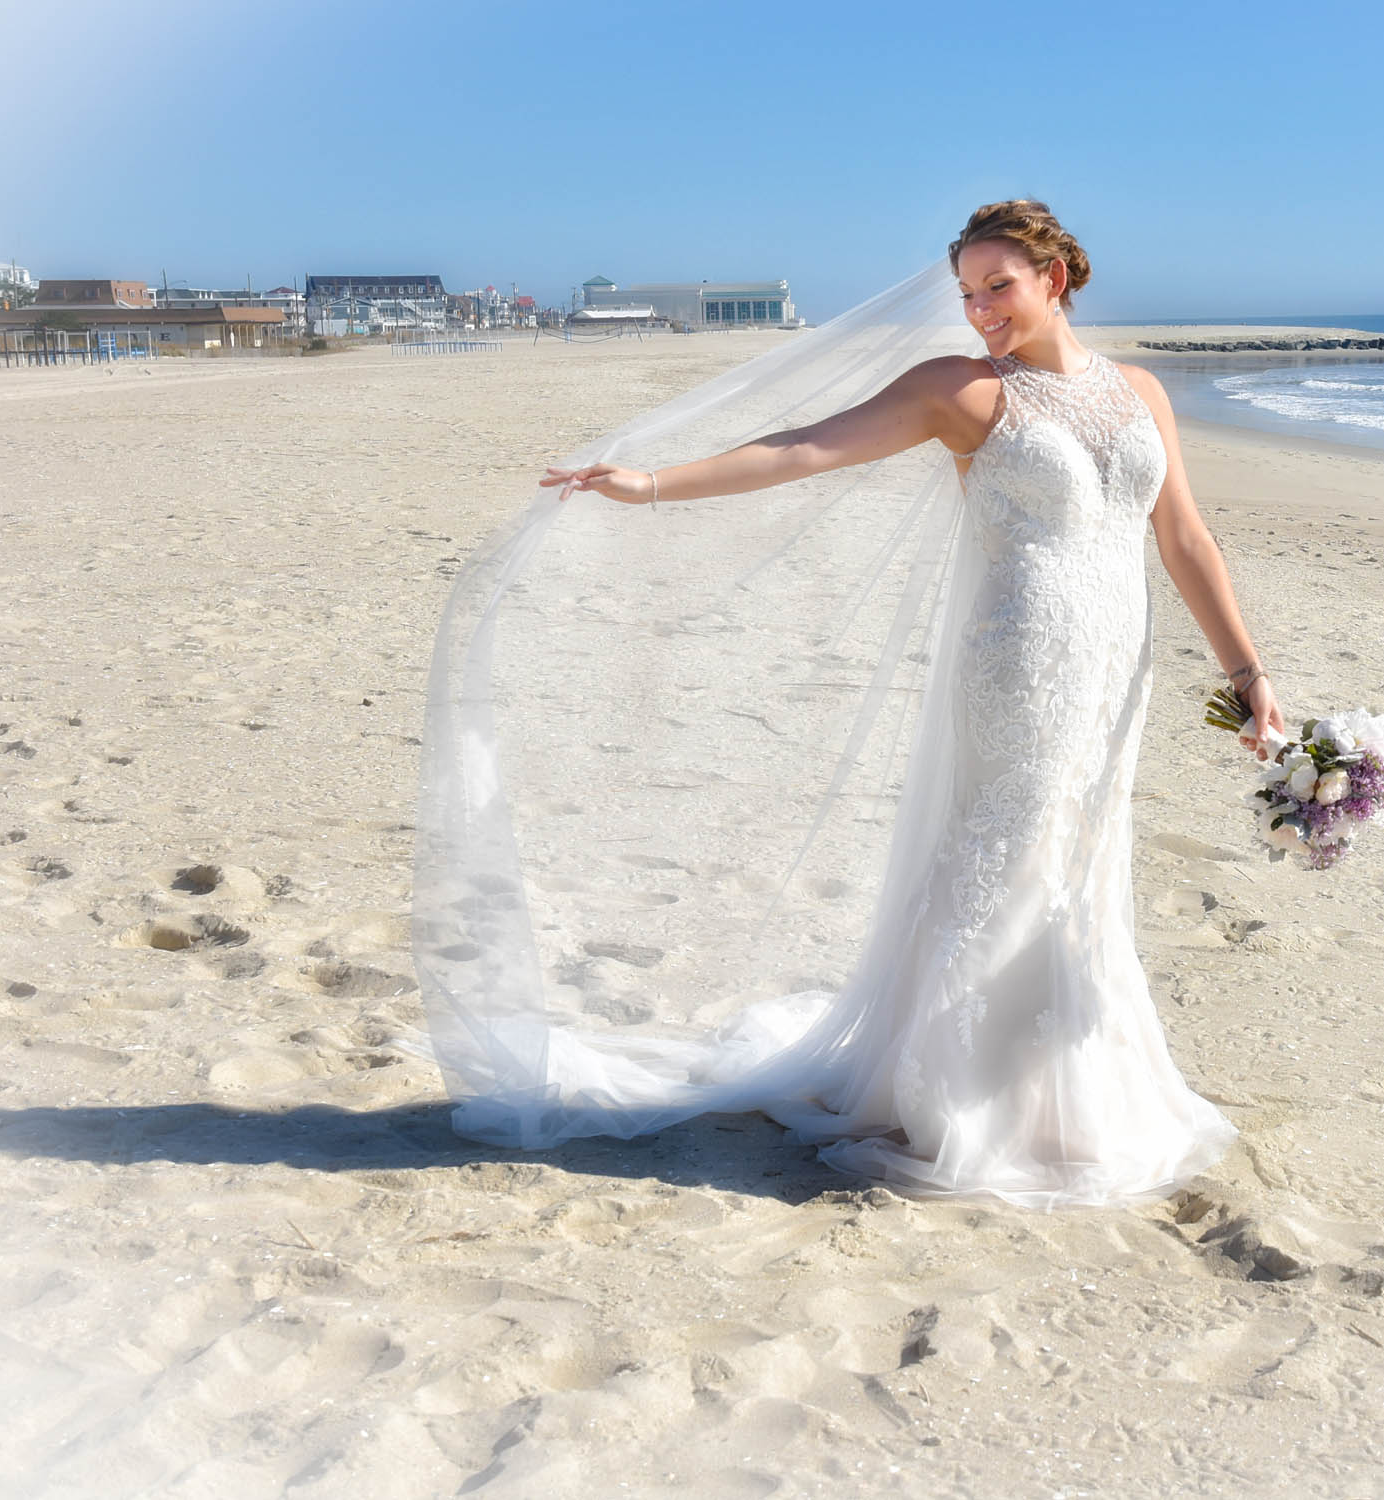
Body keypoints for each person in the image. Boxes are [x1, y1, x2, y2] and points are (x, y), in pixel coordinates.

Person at [531, 199, 1280, 1207]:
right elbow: (805, 447)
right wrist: (653, 484)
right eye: (966, 294)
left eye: (997, 287)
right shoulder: (959, 392)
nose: (979, 311)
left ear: (1054, 279)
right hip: (1022, 658)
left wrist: (1248, 678)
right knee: (1007, 850)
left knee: (1080, 851)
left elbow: (1183, 537)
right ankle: (963, 1096)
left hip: (1115, 667)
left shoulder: (1139, 391)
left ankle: (1067, 1085)